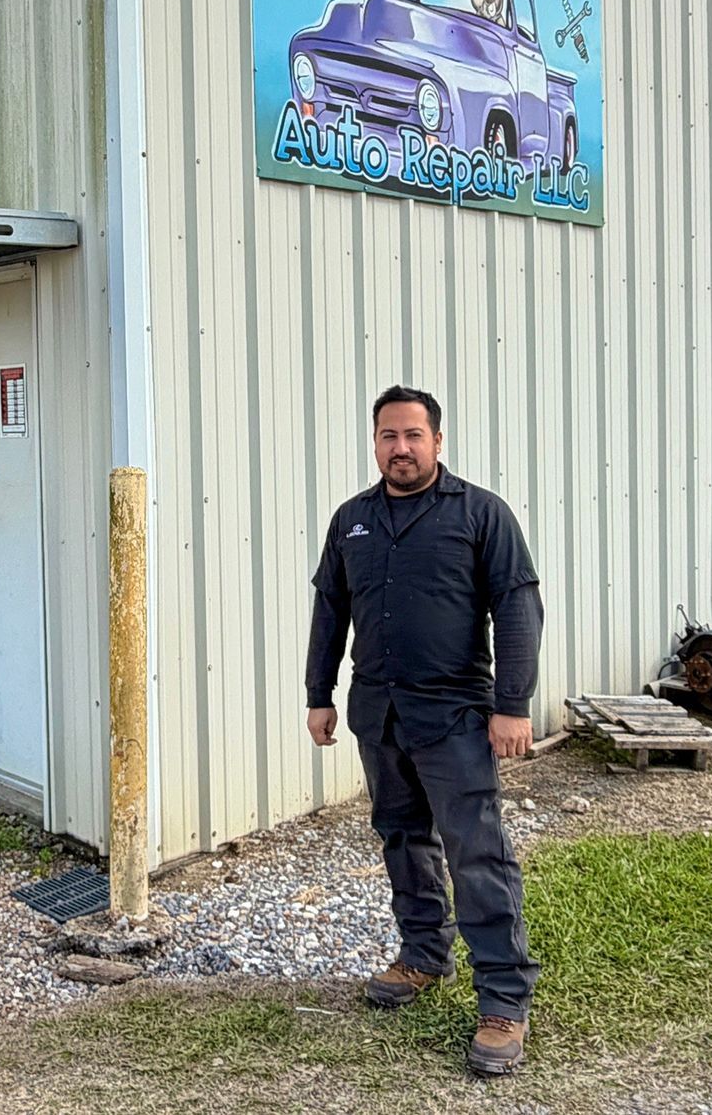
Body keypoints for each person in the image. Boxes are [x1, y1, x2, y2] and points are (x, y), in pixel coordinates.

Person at [305, 384, 544, 1077]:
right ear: (374, 442)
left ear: (438, 441)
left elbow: (518, 606)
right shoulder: (352, 519)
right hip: (379, 712)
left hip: (456, 717)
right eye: (388, 435)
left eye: (413, 434)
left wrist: (513, 703)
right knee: (403, 836)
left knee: (478, 851)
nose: (400, 447)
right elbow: (330, 611)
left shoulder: (480, 514)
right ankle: (423, 954)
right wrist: (318, 693)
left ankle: (503, 998)